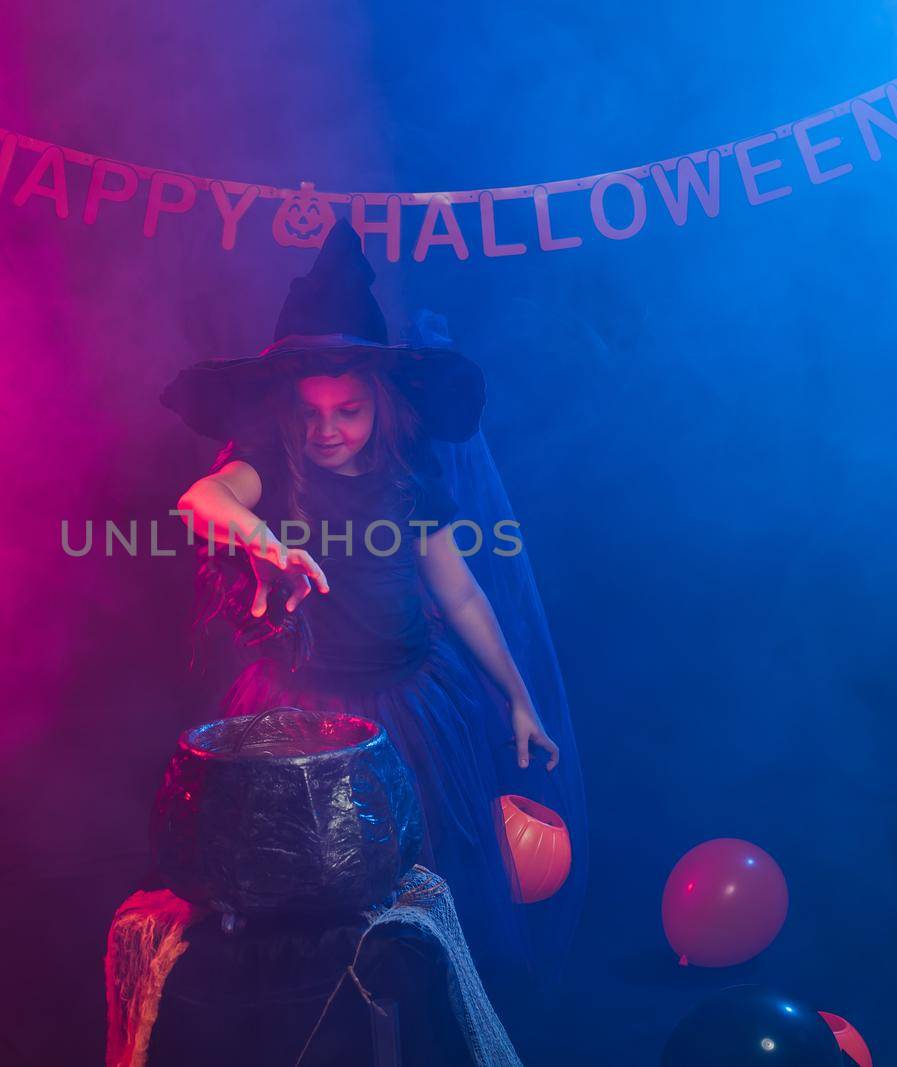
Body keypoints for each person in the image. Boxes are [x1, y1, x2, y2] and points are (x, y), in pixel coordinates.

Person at [160, 219, 585, 1058]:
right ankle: (325, 1036)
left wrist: (520, 697)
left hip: (410, 712)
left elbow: (459, 592)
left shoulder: (406, 475)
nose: (328, 429)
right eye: (312, 412)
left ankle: (417, 1030)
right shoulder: (272, 467)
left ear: (379, 403)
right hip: (302, 718)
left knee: (412, 888)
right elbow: (198, 501)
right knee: (308, 895)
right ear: (288, 409)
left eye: (347, 410)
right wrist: (268, 544)